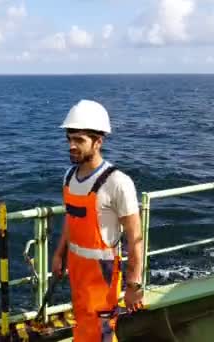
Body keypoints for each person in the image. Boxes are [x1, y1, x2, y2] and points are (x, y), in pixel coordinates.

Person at [51, 99, 144, 341]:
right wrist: (59, 254)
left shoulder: (117, 183)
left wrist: (134, 286)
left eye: (79, 140)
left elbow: (135, 239)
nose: (71, 145)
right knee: (82, 323)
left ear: (98, 141)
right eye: (69, 138)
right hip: (77, 269)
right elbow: (71, 219)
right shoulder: (69, 177)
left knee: (102, 332)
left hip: (103, 276)